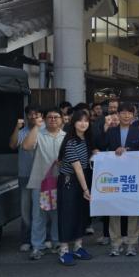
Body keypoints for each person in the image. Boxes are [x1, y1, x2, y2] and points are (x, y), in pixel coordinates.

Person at [22, 107, 64, 260]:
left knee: (58, 214)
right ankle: (37, 246)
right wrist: (36, 127)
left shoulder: (66, 136)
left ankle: (57, 242)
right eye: (50, 117)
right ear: (45, 119)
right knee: (38, 215)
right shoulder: (38, 134)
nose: (53, 119)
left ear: (62, 119)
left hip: (59, 181)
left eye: (56, 117)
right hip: (39, 181)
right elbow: (26, 146)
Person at [104, 102, 139, 257]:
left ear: (133, 116)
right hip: (114, 176)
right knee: (114, 210)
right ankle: (115, 243)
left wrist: (128, 150)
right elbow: (103, 148)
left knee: (133, 209)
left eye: (129, 113)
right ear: (118, 115)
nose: (126, 116)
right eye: (123, 113)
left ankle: (132, 244)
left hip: (132, 176)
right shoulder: (111, 131)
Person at [56, 109, 94, 266]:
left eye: (86, 120)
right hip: (69, 182)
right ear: (74, 123)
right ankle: (64, 250)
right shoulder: (70, 141)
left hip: (83, 180)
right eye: (80, 120)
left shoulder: (86, 139)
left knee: (81, 214)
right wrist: (86, 190)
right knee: (67, 215)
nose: (83, 124)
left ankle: (78, 247)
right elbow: (77, 168)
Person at [9, 104, 42, 252]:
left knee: (43, 208)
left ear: (41, 116)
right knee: (26, 209)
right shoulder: (22, 132)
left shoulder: (46, 130)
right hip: (25, 175)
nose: (33, 116)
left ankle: (45, 237)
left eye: (36, 114)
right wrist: (17, 127)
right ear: (26, 116)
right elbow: (12, 145)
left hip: (42, 176)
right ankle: (26, 239)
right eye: (30, 114)